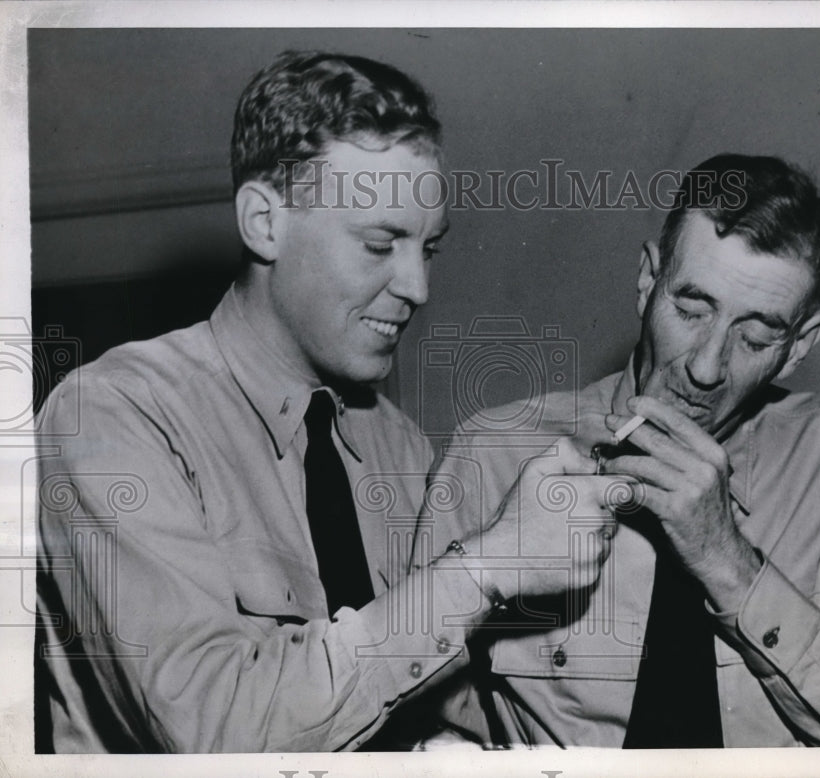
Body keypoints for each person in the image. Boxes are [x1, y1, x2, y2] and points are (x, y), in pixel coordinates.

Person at [34, 50, 627, 753]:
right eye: (381, 245)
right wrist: (485, 566)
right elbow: (214, 732)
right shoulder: (113, 416)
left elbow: (415, 687)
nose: (417, 288)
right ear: (263, 222)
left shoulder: (399, 445)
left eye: (428, 249)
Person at [419, 154, 820, 747]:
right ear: (648, 281)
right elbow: (414, 713)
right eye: (691, 310)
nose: (706, 366)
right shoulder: (493, 455)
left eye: (756, 335)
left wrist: (728, 562)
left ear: (798, 347)